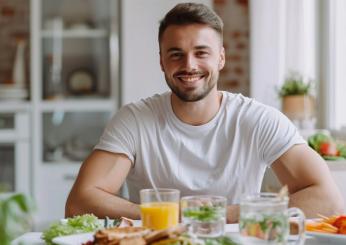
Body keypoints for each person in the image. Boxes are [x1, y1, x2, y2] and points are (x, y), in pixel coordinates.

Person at [65, 3, 344, 223]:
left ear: (221, 58)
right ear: (161, 60)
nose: (189, 65)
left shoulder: (258, 119)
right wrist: (170, 217)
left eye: (201, 52)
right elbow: (80, 202)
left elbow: (328, 200)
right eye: (176, 54)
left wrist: (219, 215)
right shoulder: (135, 120)